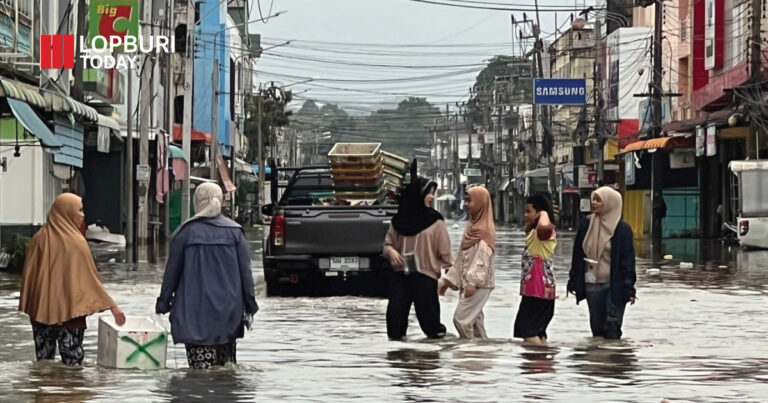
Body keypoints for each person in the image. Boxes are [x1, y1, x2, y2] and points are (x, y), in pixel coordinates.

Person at [156, 183, 259, 369]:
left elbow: (171, 275)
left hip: (194, 318)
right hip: (228, 317)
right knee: (226, 374)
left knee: (199, 376)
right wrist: (250, 306)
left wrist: (162, 304)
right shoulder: (235, 233)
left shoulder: (184, 233)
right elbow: (246, 275)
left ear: (197, 202)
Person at [19, 193, 126, 366]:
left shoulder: (39, 239)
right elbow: (91, 282)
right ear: (67, 212)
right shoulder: (77, 243)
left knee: (43, 365)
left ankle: (43, 393)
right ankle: (71, 394)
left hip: (40, 314)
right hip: (71, 317)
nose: (83, 215)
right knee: (73, 368)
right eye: (80, 210)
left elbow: (30, 279)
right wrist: (113, 306)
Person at [383, 167, 452, 341]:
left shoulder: (436, 222)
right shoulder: (399, 220)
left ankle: (431, 360)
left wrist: (452, 275)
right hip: (401, 274)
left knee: (430, 326)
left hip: (425, 276)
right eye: (429, 193)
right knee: (395, 322)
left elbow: (446, 254)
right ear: (417, 194)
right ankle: (398, 360)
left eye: (433, 193)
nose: (432, 197)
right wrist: (391, 252)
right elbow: (388, 243)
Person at [567, 186, 637, 340]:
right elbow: (578, 254)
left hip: (614, 285)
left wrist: (629, 288)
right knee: (597, 330)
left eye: (599, 200)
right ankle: (597, 361)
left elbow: (627, 261)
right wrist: (573, 281)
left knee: (612, 328)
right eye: (594, 199)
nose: (594, 203)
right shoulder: (586, 225)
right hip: (592, 284)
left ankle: (613, 362)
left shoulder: (622, 230)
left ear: (610, 203)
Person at [439, 186, 496, 339]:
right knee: (476, 323)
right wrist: (449, 280)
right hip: (469, 283)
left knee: (461, 320)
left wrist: (473, 282)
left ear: (480, 203)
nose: (466, 204)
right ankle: (480, 357)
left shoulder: (485, 230)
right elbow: (461, 259)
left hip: (479, 284)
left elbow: (482, 259)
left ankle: (468, 353)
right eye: (465, 200)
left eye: (469, 201)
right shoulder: (472, 229)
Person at [513, 195, 556, 345]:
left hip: (538, 290)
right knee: (537, 331)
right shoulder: (534, 233)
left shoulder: (544, 232)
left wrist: (543, 213)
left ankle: (538, 359)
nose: (525, 215)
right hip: (536, 290)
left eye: (528, 211)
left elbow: (544, 226)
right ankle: (541, 364)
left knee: (527, 330)